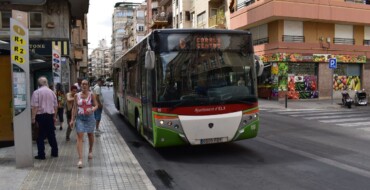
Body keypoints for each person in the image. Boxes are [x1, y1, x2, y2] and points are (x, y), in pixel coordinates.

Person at [70, 79, 98, 168]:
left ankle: (90, 150)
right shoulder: (76, 96)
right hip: (80, 118)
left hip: (90, 118)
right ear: (80, 85)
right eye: (82, 84)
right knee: (79, 136)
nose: (84, 86)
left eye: (86, 84)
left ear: (88, 85)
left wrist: (92, 109)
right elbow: (74, 108)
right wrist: (72, 119)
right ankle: (80, 159)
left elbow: (96, 105)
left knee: (90, 135)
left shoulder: (91, 95)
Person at [31, 76, 58, 160]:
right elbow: (55, 106)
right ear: (46, 83)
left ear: (39, 84)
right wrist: (54, 116)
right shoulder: (52, 92)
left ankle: (41, 155)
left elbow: (35, 107)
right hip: (50, 116)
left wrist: (33, 118)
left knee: (40, 136)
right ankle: (55, 152)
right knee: (51, 135)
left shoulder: (36, 92)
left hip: (40, 116)